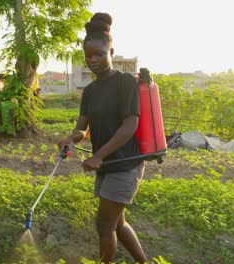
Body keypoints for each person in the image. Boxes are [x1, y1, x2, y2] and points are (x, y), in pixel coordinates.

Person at [58, 12, 149, 264]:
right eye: (89, 56)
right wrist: (70, 138)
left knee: (104, 225)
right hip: (107, 165)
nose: (93, 60)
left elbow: (130, 125)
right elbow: (82, 129)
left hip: (125, 163)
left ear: (111, 51)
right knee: (117, 224)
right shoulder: (90, 91)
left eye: (99, 54)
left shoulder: (125, 83)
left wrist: (98, 155)